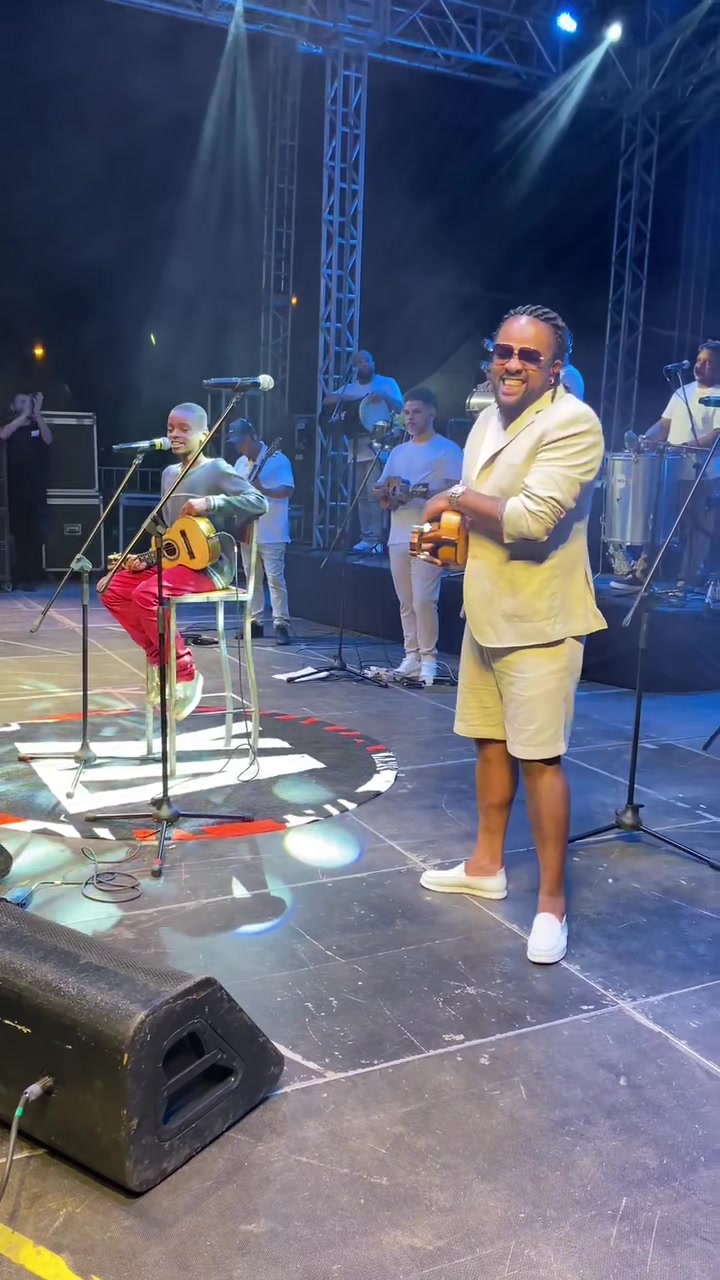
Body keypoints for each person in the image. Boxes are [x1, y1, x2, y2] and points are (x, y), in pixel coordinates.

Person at [418, 305, 606, 965]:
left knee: (540, 760)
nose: (513, 364)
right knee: (489, 744)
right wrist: (448, 536)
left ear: (555, 368)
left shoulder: (573, 422)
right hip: (487, 609)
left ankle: (552, 904)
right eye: (505, 351)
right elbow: (481, 502)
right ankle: (485, 866)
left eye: (530, 355)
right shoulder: (486, 420)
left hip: (541, 621)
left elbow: (530, 520)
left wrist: (452, 500)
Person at [99, 403, 267, 720]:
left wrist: (210, 502)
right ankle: (160, 660)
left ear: (204, 435)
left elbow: (259, 501)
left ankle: (185, 673)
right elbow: (172, 533)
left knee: (147, 594)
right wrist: (146, 559)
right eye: (170, 428)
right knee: (111, 588)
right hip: (176, 563)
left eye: (184, 429)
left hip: (211, 567)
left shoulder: (216, 469)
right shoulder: (169, 475)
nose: (175, 434)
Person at [610, 340, 720, 590]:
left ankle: (687, 579)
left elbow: (717, 435)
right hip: (670, 470)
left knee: (697, 527)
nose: (700, 365)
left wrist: (684, 446)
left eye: (708, 362)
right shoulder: (682, 391)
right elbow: (664, 425)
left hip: (703, 474)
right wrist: (645, 440)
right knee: (657, 522)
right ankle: (643, 575)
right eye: (699, 360)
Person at [373, 387, 462, 685]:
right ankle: (411, 655)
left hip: (431, 529)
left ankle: (429, 659)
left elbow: (458, 489)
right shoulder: (398, 452)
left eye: (417, 412)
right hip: (399, 531)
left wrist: (422, 492)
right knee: (406, 600)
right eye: (407, 412)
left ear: (432, 412)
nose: (410, 417)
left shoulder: (447, 449)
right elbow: (380, 486)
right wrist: (386, 492)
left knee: (425, 599)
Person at [323, 350, 403, 554]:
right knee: (361, 496)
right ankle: (366, 537)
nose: (363, 364)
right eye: (359, 361)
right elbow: (328, 399)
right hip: (356, 446)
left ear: (373, 362)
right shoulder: (350, 387)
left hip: (378, 444)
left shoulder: (386, 383)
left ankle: (376, 538)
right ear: (354, 367)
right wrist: (355, 397)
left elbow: (401, 407)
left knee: (374, 492)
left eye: (366, 360)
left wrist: (383, 396)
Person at [228, 418, 294, 645]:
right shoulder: (240, 463)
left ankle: (281, 622)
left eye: (242, 442)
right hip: (248, 528)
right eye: (236, 443)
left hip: (272, 529)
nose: (239, 447)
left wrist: (263, 490)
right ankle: (255, 621)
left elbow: (288, 489)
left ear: (253, 437)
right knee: (251, 577)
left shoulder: (277, 459)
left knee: (275, 578)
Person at [0, 392, 52, 590]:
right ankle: (17, 575)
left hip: (36, 488)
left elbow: (48, 439)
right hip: (15, 488)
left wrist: (37, 415)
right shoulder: (10, 424)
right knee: (18, 533)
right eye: (21, 401)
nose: (26, 404)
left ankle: (32, 577)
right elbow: (3, 434)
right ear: (13, 406)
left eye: (28, 401)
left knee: (36, 534)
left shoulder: (36, 425)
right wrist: (22, 416)